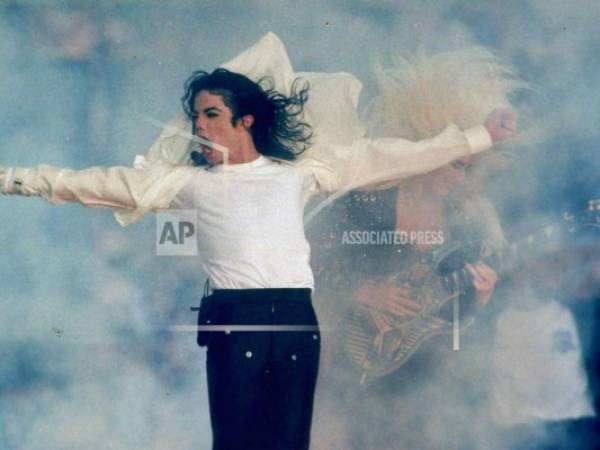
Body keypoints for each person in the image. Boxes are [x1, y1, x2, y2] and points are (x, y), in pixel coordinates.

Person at [0, 37, 515, 449]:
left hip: (295, 319)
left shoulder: (297, 174)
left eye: (210, 116)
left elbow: (391, 157)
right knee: (238, 443)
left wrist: (479, 138)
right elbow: (87, 182)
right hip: (235, 319)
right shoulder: (185, 183)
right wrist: (10, 178)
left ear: (244, 121)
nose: (198, 127)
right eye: (196, 117)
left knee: (289, 443)